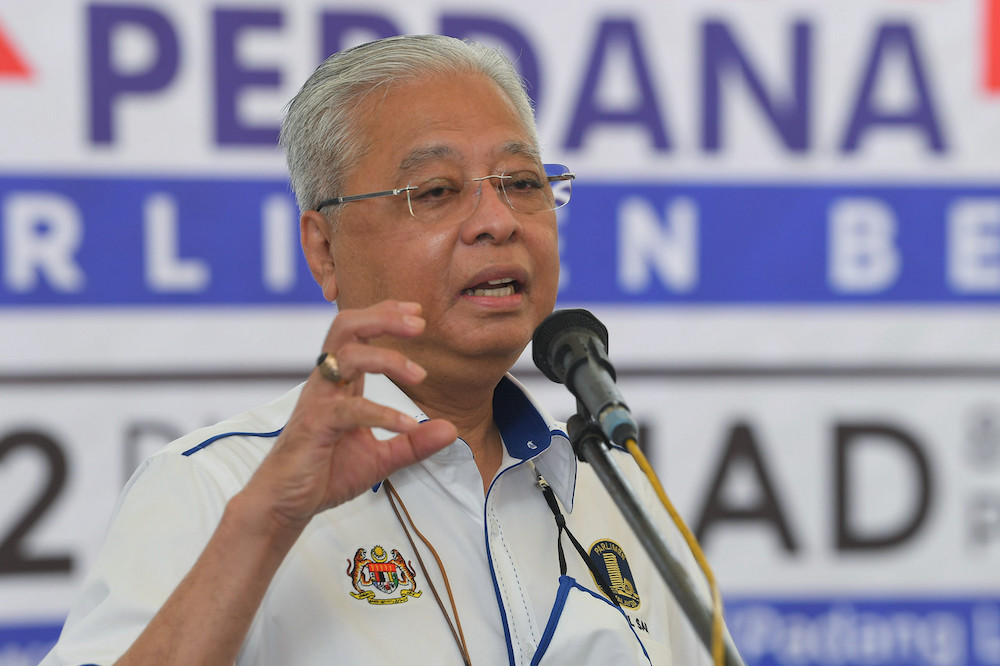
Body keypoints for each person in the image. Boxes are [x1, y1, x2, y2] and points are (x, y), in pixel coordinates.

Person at [41, 34, 721, 665]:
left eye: (521, 183)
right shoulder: (219, 488)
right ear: (324, 250)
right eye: (437, 191)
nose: (497, 221)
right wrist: (267, 524)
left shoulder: (616, 492)